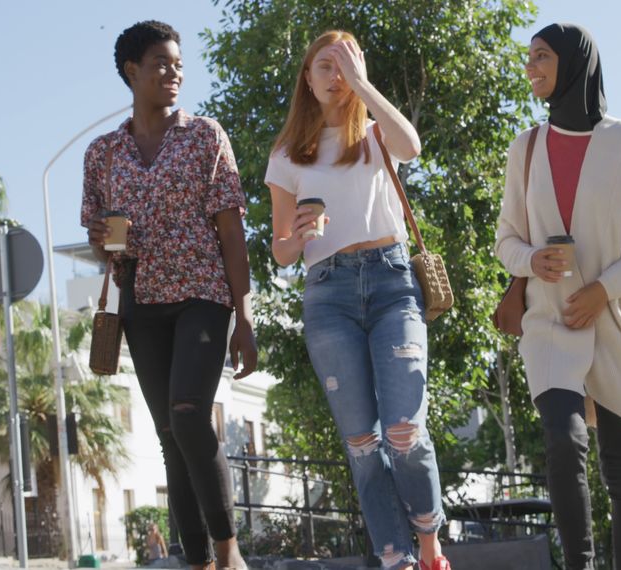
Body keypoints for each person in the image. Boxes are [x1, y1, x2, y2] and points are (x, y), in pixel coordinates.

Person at [265, 30, 451, 570]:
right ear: (307, 77)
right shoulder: (287, 155)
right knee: (363, 443)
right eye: (325, 64)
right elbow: (280, 251)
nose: (335, 74)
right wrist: (298, 235)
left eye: (346, 63)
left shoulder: (373, 135)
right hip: (329, 294)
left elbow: (411, 146)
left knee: (404, 430)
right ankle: (396, 559)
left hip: (393, 283)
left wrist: (365, 83)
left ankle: (429, 541)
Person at [495, 23, 621, 570]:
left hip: (616, 324)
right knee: (563, 442)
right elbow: (506, 241)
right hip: (549, 324)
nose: (530, 67)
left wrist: (604, 289)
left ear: (575, 62)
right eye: (528, 57)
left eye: (542, 57)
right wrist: (531, 261)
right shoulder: (524, 149)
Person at [81, 20, 256, 570]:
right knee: (167, 435)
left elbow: (232, 233)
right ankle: (198, 560)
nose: (173, 72)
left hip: (203, 295)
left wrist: (244, 318)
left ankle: (228, 549)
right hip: (143, 303)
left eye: (178, 63)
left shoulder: (206, 136)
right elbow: (100, 241)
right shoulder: (103, 153)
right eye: (160, 62)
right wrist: (108, 240)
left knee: (187, 415)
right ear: (131, 71)